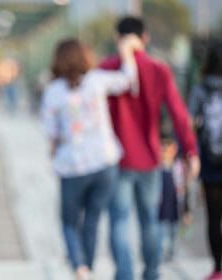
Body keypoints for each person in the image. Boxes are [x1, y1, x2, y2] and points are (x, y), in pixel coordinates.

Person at [100, 16, 200, 280]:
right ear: (144, 38)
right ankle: (152, 273)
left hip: (116, 160)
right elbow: (179, 113)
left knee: (119, 220)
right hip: (150, 158)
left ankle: (124, 274)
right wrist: (190, 150)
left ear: (116, 38)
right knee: (150, 221)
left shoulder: (106, 68)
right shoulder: (159, 69)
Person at [41, 36, 141, 280]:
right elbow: (128, 80)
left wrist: (54, 154)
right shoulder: (97, 81)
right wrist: (127, 52)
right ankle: (90, 266)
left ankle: (80, 267)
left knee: (68, 221)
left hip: (72, 165)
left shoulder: (53, 92)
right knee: (93, 219)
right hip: (104, 162)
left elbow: (51, 134)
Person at [189, 41, 222, 280]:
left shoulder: (200, 89)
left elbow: (189, 122)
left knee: (213, 216)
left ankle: (218, 269)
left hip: (211, 163)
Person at [158, 132, 190, 262]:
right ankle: (161, 253)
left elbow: (185, 189)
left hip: (176, 208)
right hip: (160, 210)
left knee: (174, 233)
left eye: (169, 147)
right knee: (161, 234)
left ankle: (171, 253)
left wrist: (187, 210)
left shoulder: (178, 168)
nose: (166, 151)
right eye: (163, 147)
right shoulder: (157, 169)